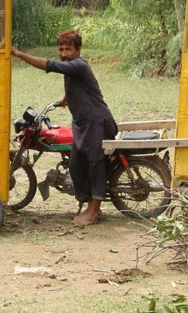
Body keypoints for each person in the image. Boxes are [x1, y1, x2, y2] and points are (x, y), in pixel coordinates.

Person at [11, 30, 117, 226]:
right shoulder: (73, 67)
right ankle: (87, 204)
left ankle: (94, 212)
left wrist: (18, 54)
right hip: (82, 124)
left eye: (68, 49)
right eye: (61, 49)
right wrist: (65, 100)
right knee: (76, 164)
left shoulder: (78, 65)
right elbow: (79, 85)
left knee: (95, 166)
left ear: (78, 50)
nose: (64, 53)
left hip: (96, 122)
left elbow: (49, 65)